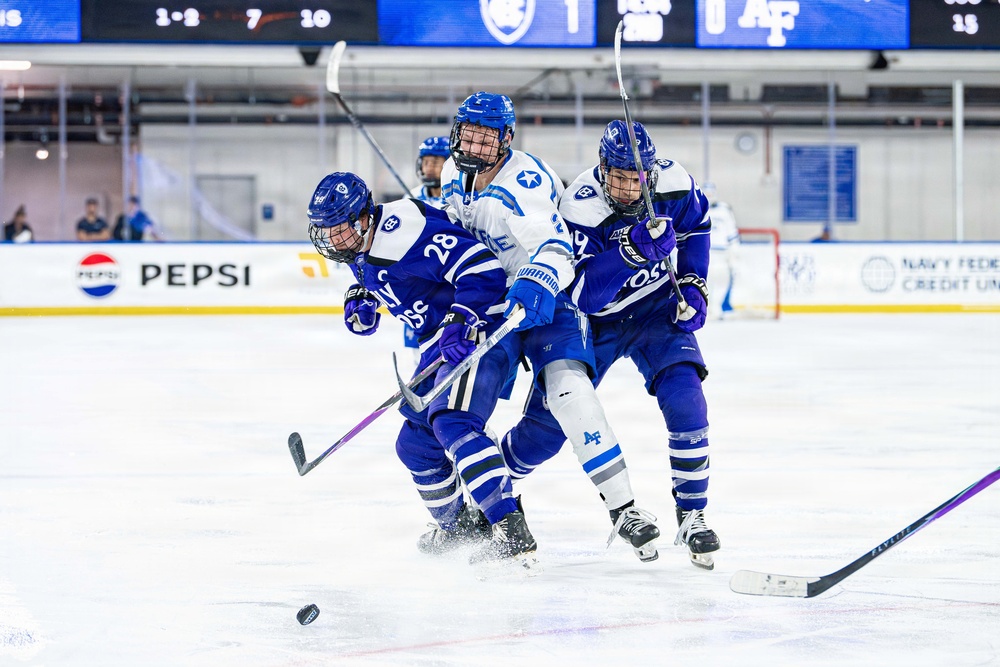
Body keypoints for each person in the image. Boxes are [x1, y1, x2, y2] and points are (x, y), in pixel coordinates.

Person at [439, 92, 661, 562]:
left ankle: (625, 510)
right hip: (491, 306)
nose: (476, 144)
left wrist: (537, 280)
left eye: (487, 136)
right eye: (470, 133)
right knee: (458, 412)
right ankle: (481, 509)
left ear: (506, 139)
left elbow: (558, 246)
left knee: (567, 393)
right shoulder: (449, 174)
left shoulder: (521, 182)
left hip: (547, 297)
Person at [500, 120, 721, 570]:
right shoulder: (580, 206)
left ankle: (692, 512)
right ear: (601, 169)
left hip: (657, 309)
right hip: (594, 322)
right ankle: (491, 484)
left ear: (651, 172)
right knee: (545, 432)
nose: (623, 187)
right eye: (615, 176)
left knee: (686, 396)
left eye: (632, 177)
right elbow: (582, 292)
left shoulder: (676, 183)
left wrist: (694, 284)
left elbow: (697, 226)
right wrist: (631, 254)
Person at [306, 171, 536, 565]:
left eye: (338, 229)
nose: (331, 240)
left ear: (363, 217)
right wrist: (360, 296)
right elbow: (374, 272)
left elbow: (482, 267)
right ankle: (458, 528)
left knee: (454, 424)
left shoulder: (404, 231)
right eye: (325, 232)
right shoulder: (359, 243)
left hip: (482, 328)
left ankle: (511, 532)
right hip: (442, 342)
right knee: (414, 446)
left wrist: (463, 317)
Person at [703, 181, 740, 320]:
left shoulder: (724, 211)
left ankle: (716, 308)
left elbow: (732, 233)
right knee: (704, 282)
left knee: (721, 282)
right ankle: (706, 309)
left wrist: (734, 254)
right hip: (704, 253)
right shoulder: (696, 209)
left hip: (721, 254)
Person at [410, 136, 450, 207]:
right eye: (425, 162)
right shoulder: (413, 197)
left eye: (435, 162)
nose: (429, 168)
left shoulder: (459, 199)